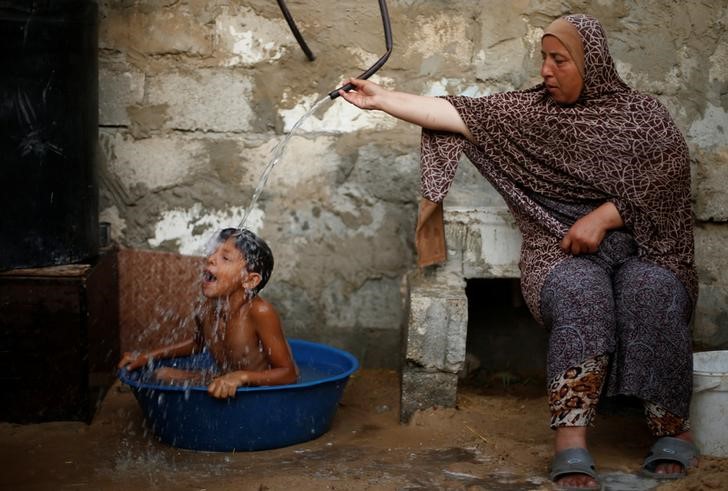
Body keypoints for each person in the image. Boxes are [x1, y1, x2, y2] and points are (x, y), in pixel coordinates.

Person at [339, 13, 698, 490]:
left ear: (592, 65)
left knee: (650, 290)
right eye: (543, 58)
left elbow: (668, 181)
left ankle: (673, 428)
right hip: (558, 250)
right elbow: (453, 112)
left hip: (648, 250)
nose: (546, 70)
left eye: (559, 60)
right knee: (579, 293)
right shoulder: (533, 113)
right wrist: (380, 98)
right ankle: (572, 444)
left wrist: (604, 217)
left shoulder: (643, 116)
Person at [118, 228, 298, 398]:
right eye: (213, 253)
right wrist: (147, 356)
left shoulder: (259, 312)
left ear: (250, 280)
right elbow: (198, 344)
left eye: (225, 258)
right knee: (161, 374)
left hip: (258, 391)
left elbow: (289, 374)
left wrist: (241, 377)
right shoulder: (206, 308)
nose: (211, 259)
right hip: (223, 380)